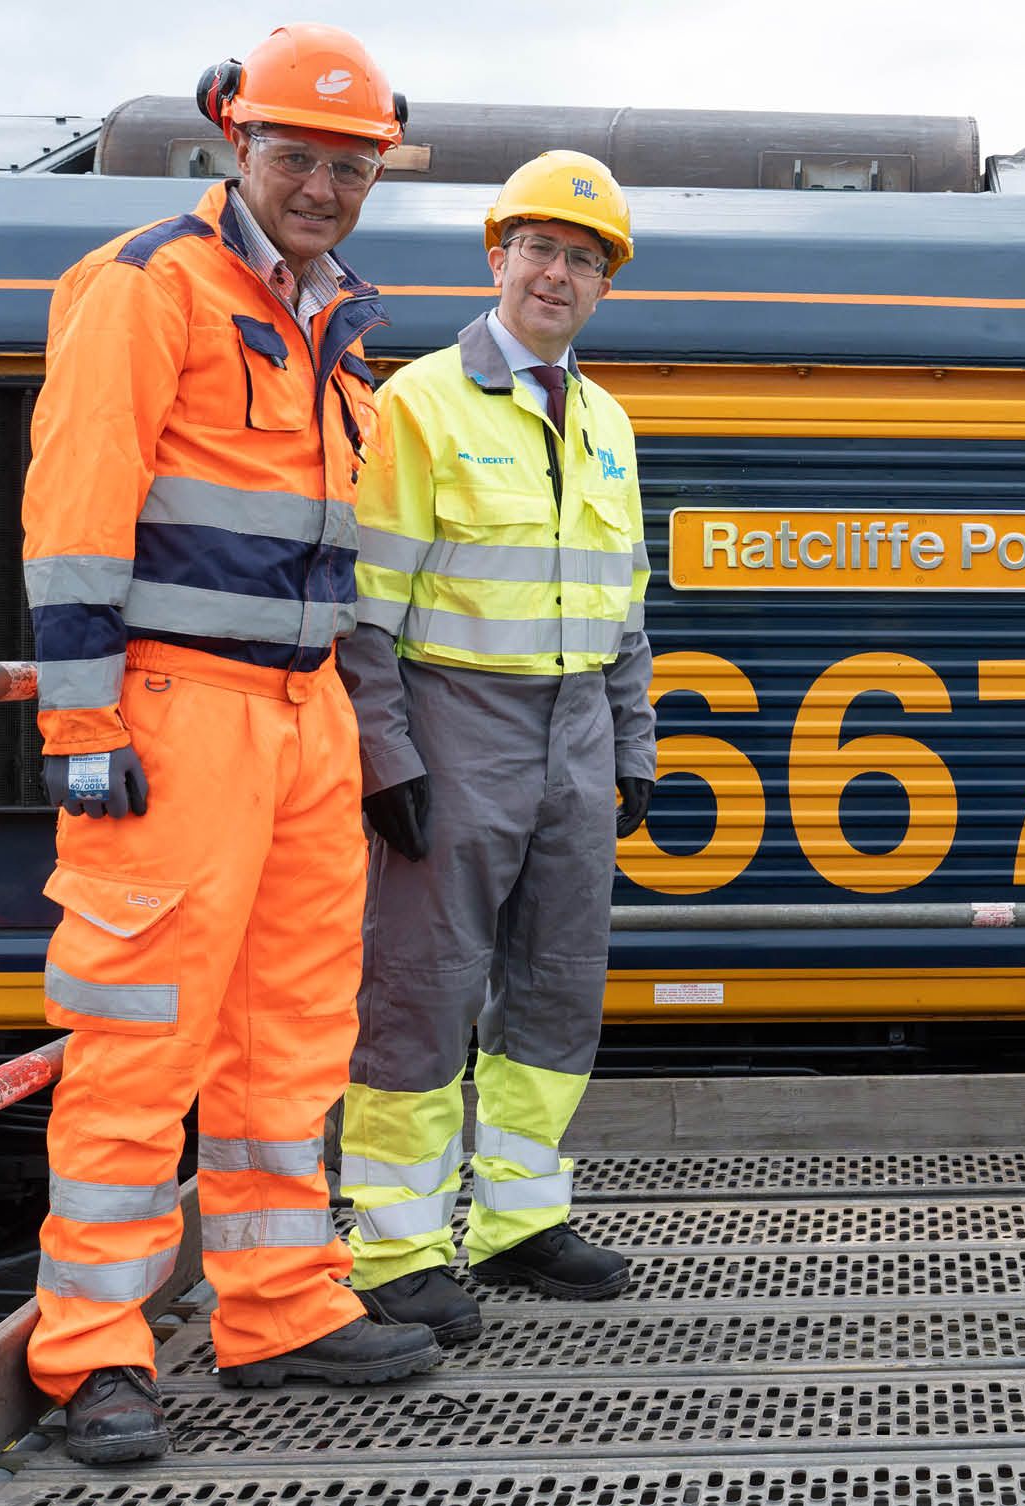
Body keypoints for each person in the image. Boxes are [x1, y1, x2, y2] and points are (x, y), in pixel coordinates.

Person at [19, 24, 440, 1464]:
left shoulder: (335, 322)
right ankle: (95, 1350)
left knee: (292, 1034)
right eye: (295, 155)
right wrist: (82, 722)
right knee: (140, 1041)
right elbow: (76, 508)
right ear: (231, 139)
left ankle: (277, 1306)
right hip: (178, 715)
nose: (320, 185)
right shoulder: (149, 287)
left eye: (348, 164)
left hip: (303, 716)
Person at [336, 150, 656, 1344]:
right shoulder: (419, 402)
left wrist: (632, 744)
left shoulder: (611, 420)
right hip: (456, 721)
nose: (559, 274)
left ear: (604, 282)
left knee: (558, 989)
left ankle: (519, 1221)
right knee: (423, 990)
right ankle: (399, 1246)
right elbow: (367, 608)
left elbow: (627, 605)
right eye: (541, 249)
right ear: (497, 257)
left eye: (584, 258)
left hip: (575, 728)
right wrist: (388, 757)